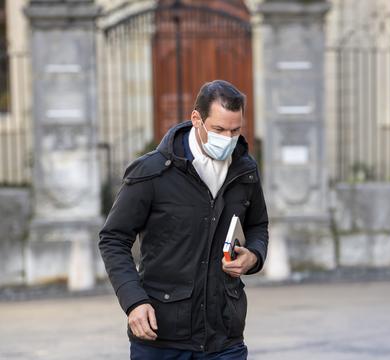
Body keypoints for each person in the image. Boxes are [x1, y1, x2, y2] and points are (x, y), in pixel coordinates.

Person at [99, 80, 268, 359]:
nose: (228, 139)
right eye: (219, 130)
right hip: (161, 336)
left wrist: (254, 256)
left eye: (235, 131)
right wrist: (133, 302)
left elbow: (258, 225)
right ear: (196, 119)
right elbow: (113, 238)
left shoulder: (245, 170)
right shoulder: (151, 172)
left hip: (225, 335)